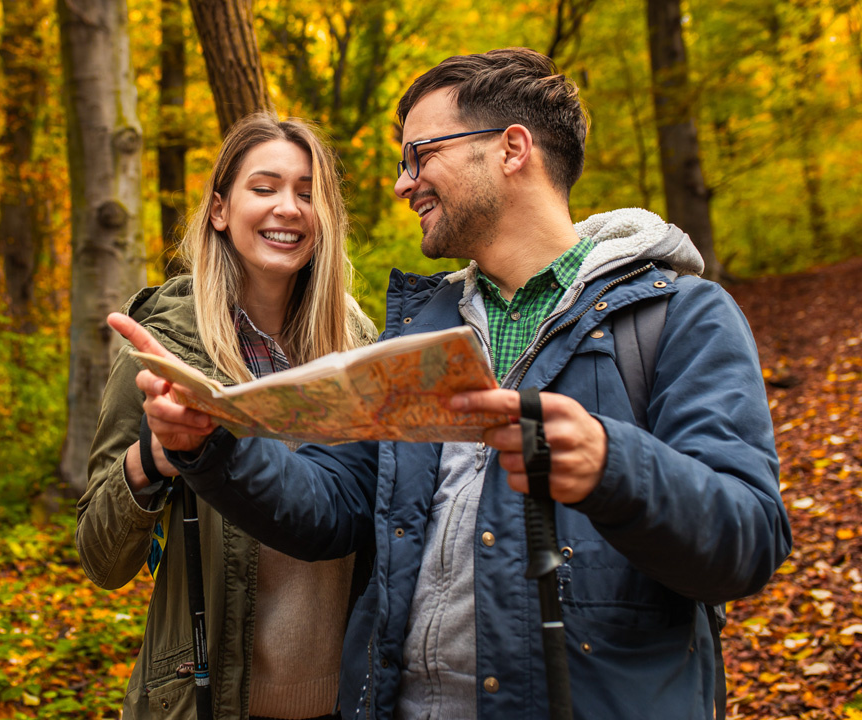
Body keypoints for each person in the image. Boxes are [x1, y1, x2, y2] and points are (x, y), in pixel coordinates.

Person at [120, 49, 792, 719]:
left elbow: (749, 540)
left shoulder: (679, 317)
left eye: (420, 154)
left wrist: (615, 466)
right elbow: (329, 504)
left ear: (511, 148)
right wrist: (209, 444)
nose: (402, 183)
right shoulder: (421, 333)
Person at [77, 112, 377, 720]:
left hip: (350, 702)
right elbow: (101, 560)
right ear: (219, 209)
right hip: (208, 702)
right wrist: (152, 458)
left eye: (306, 192)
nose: (288, 208)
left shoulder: (362, 343)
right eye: (263, 188)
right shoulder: (167, 349)